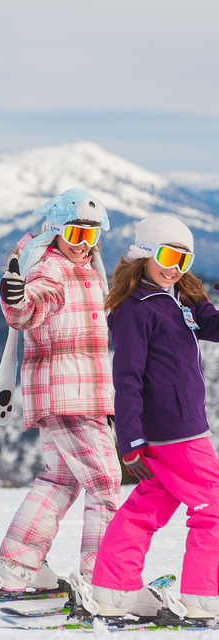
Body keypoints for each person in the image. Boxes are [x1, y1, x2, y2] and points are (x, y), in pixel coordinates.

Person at [78, 215, 219, 622]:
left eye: (184, 259)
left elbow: (211, 324)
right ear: (145, 254)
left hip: (175, 427)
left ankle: (114, 590)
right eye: (167, 255)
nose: (174, 267)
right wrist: (131, 439)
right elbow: (126, 378)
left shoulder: (178, 299)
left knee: (148, 506)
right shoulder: (136, 309)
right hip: (176, 432)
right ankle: (202, 597)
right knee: (212, 507)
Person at [0, 188, 122, 595]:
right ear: (56, 231)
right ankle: (105, 582)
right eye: (75, 234)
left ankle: (18, 566)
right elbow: (32, 306)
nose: (83, 245)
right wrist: (17, 299)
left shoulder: (87, 269)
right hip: (70, 394)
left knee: (60, 480)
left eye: (91, 236)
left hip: (72, 392)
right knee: (106, 484)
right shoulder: (52, 268)